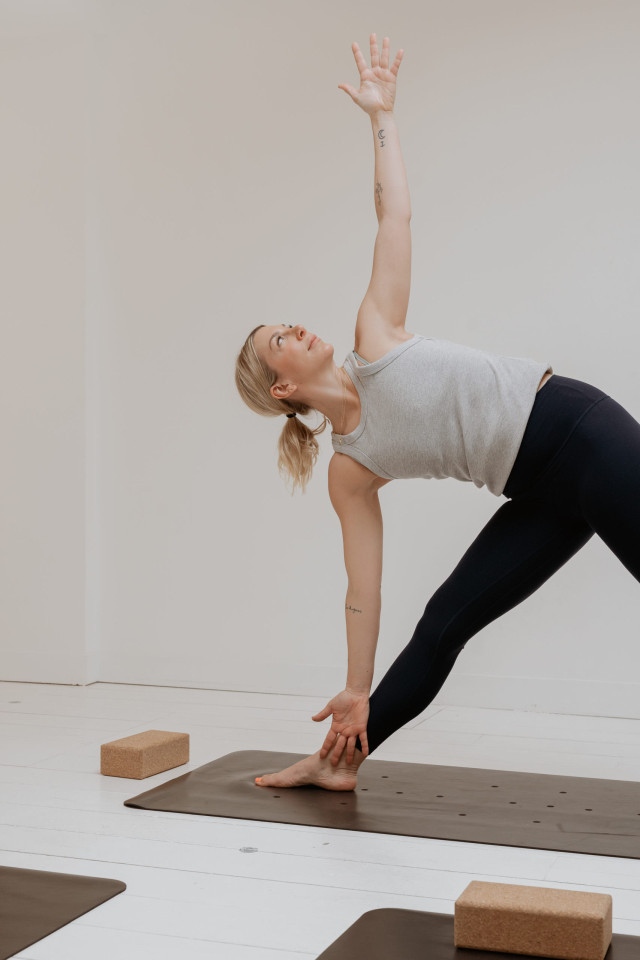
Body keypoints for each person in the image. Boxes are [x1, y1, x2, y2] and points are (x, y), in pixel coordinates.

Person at [234, 34, 640, 792]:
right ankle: (337, 762)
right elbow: (363, 591)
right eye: (279, 341)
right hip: (539, 489)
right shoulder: (349, 471)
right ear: (281, 388)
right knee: (443, 624)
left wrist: (380, 120)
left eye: (287, 321)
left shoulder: (374, 337)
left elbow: (396, 220)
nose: (296, 329)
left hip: (582, 432)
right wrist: (357, 688)